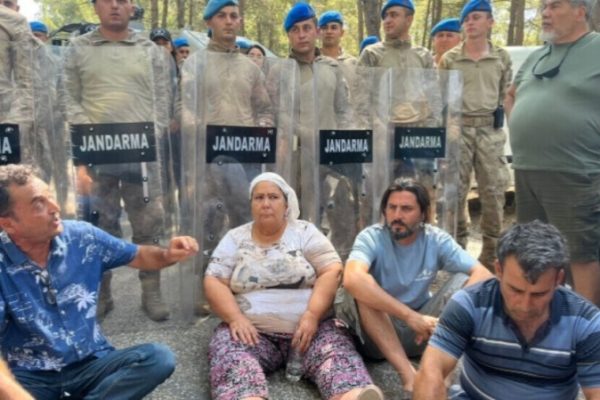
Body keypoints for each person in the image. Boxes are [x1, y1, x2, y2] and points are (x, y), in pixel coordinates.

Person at [0, 164, 199, 399]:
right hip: (32, 377)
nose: (55, 208)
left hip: (92, 364)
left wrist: (168, 255)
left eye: (50, 197)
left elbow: (138, 254)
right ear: (8, 223)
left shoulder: (82, 237)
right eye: (38, 205)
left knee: (157, 358)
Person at [204, 172, 384, 400]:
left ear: (286, 203)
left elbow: (331, 270)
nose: (266, 203)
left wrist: (312, 314)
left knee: (336, 353)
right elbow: (214, 280)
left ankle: (352, 396)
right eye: (259, 198)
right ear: (251, 204)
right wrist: (235, 318)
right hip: (252, 332)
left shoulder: (304, 232)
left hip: (311, 330)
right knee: (231, 355)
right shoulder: (235, 238)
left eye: (273, 197)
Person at [63, 0, 175, 321]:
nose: (114, 5)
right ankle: (102, 293)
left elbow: (162, 100)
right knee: (100, 224)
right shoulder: (77, 49)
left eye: (122, 0)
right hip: (95, 154)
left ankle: (151, 292)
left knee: (148, 224)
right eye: (107, 0)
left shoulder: (150, 51)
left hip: (141, 155)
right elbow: (68, 98)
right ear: (95, 7)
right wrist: (90, 133)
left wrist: (147, 134)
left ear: (132, 8)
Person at [336, 179, 492, 397]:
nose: (397, 215)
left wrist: (443, 321)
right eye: (392, 208)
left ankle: (440, 374)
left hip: (425, 333)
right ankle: (408, 375)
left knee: (463, 283)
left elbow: (485, 275)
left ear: (423, 214)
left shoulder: (436, 239)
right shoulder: (372, 237)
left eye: (406, 209)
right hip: (378, 335)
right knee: (363, 291)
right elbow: (351, 279)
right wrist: (410, 317)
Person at [414, 221, 600, 400]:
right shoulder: (469, 304)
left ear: (559, 278)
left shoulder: (586, 322)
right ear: (499, 270)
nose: (525, 305)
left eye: (539, 294)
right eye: (515, 290)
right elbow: (431, 372)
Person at [504, 0, 600, 307]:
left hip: (575, 170)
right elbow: (512, 94)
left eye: (554, 5)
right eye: (543, 6)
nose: (545, 13)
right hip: (527, 170)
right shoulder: (537, 56)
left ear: (580, 11)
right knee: (536, 251)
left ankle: (587, 330)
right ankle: (545, 318)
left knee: (580, 253)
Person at [438, 0, 512, 270]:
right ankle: (457, 252)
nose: (470, 23)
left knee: (493, 193)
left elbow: (504, 93)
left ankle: (491, 255)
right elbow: (442, 98)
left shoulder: (501, 57)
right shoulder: (450, 59)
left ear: (490, 22)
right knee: (454, 193)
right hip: (459, 129)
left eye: (477, 17)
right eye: (467, 19)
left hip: (490, 131)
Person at [358, 0, 433, 69]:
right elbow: (361, 83)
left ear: (409, 20)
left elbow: (432, 83)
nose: (387, 21)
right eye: (385, 16)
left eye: (393, 15)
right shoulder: (372, 53)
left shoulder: (424, 56)